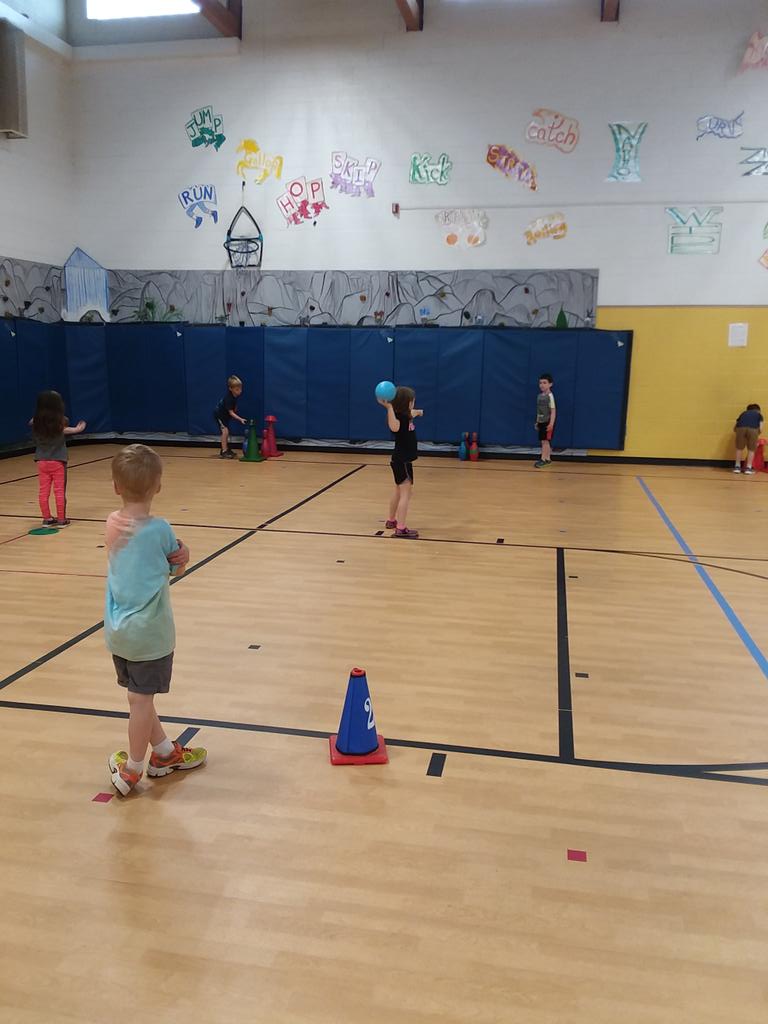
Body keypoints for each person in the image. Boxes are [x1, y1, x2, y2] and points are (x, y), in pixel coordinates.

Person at [105, 444, 207, 796]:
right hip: (150, 634)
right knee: (141, 701)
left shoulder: (112, 524)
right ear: (158, 487)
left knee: (139, 699)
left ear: (116, 486)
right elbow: (176, 566)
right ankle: (133, 768)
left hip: (119, 632)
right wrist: (185, 553)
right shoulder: (160, 529)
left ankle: (164, 753)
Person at [30, 390, 86, 526]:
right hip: (58, 462)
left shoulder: (36, 423)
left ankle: (47, 518)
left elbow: (32, 422)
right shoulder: (59, 424)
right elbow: (71, 429)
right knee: (59, 491)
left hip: (42, 461)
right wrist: (79, 428)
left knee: (43, 491)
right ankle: (61, 519)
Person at [380, 385, 423, 538]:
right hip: (402, 461)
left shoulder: (406, 415)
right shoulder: (397, 418)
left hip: (402, 460)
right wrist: (388, 407)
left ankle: (391, 521)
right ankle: (401, 528)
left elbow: (411, 414)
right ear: (407, 403)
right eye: (412, 401)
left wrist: (418, 412)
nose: (414, 404)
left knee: (398, 491)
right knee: (406, 494)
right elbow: (394, 426)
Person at [214, 375, 247, 459]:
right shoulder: (229, 398)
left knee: (227, 431)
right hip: (219, 415)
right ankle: (224, 451)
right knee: (225, 432)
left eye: (240, 389)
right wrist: (240, 419)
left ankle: (226, 449)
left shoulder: (234, 397)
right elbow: (231, 412)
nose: (239, 391)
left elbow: (232, 408)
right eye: (237, 389)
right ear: (230, 389)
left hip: (225, 416)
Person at [733, 403, 763, 474]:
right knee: (751, 450)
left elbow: (735, 426)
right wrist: (756, 435)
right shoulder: (759, 415)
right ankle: (748, 468)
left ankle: (737, 467)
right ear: (758, 410)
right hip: (753, 429)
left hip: (740, 428)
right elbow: (761, 428)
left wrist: (737, 431)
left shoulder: (743, 413)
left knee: (739, 448)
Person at [534, 373, 556, 469]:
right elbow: (539, 411)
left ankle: (543, 459)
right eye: (540, 383)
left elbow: (553, 411)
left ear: (550, 384)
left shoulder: (550, 396)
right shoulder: (539, 396)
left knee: (545, 441)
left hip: (547, 422)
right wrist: (537, 421)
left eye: (544, 383)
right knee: (544, 441)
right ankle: (547, 458)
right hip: (541, 421)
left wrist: (551, 423)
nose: (542, 385)